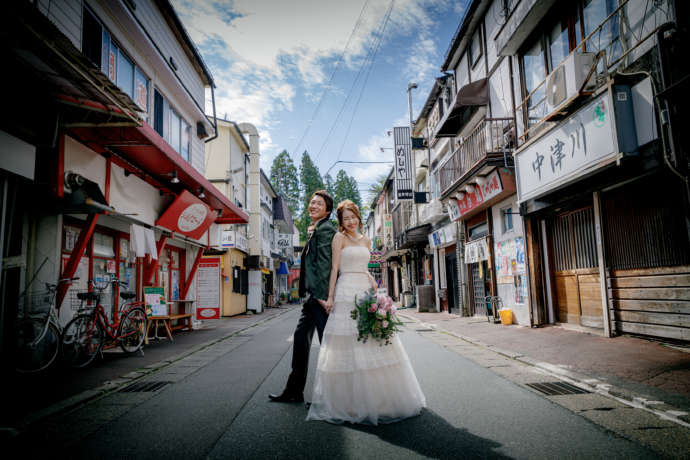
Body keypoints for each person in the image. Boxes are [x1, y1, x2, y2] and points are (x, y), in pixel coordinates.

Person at [306, 200, 426, 425]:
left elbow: (365, 265)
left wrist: (372, 281)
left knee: (372, 338)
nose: (351, 221)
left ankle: (379, 399)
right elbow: (334, 268)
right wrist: (330, 296)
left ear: (359, 218)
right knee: (348, 342)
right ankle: (349, 402)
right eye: (346, 218)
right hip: (344, 291)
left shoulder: (366, 239)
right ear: (341, 222)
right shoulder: (339, 238)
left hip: (364, 289)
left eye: (353, 217)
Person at [269, 190, 337, 403]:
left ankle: (332, 397)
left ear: (327, 209)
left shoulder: (326, 230)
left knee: (328, 347)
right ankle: (294, 392)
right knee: (300, 340)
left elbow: (325, 264)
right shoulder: (317, 228)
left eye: (318, 203)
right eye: (311, 202)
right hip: (312, 298)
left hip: (319, 298)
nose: (313, 206)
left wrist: (320, 295)